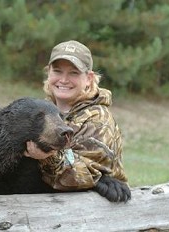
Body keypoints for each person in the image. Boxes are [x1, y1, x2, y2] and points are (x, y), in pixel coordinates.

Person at [24, 40, 131, 202]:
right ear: (49, 73)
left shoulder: (97, 119)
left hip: (88, 209)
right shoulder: (43, 111)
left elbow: (76, 177)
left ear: (89, 78)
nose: (64, 80)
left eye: (73, 73)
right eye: (57, 71)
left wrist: (44, 156)